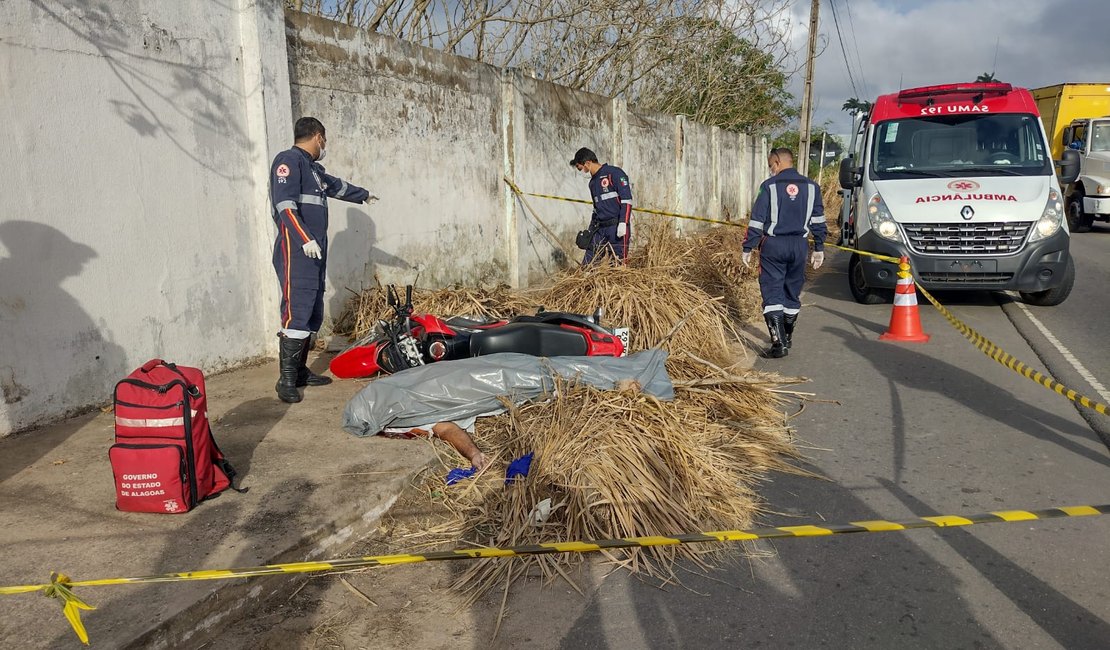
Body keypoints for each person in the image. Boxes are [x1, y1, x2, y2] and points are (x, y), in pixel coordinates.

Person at [270, 117, 374, 403]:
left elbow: (336, 186)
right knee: (298, 307)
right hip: (297, 249)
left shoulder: (313, 169)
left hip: (314, 250)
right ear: (318, 137)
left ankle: (300, 371)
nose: (324, 145)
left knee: (312, 309)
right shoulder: (288, 161)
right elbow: (285, 206)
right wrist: (305, 238)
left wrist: (364, 195)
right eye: (324, 140)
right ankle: (286, 380)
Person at [741, 148, 826, 358]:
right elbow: (818, 220)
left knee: (772, 290)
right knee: (792, 291)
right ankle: (787, 337)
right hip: (800, 246)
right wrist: (819, 247)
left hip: (773, 245)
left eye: (771, 165)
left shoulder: (768, 186)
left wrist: (748, 246)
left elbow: (757, 219)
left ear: (778, 162)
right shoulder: (812, 187)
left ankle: (778, 344)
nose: (771, 169)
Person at [569, 147, 633, 264]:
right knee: (588, 265)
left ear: (588, 163)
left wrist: (623, 223)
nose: (582, 172)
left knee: (618, 265)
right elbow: (596, 209)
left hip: (617, 227)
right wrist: (590, 231)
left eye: (581, 168)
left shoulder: (614, 173)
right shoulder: (592, 183)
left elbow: (626, 200)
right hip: (600, 229)